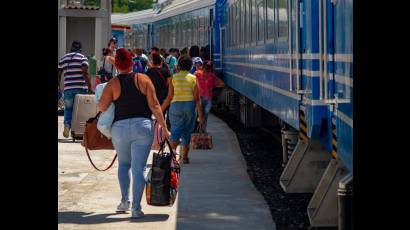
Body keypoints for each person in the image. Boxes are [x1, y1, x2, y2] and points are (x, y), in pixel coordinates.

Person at [98, 48, 170, 219]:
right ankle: (136, 209)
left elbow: (101, 107)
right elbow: (155, 106)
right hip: (142, 127)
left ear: (117, 65)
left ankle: (124, 202)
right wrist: (164, 128)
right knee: (139, 168)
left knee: (124, 165)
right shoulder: (143, 79)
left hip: (120, 129)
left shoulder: (113, 83)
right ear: (132, 63)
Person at [162, 55, 204, 164]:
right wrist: (200, 116)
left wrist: (161, 109)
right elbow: (197, 99)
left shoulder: (173, 78)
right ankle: (184, 158)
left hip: (175, 106)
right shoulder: (194, 78)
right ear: (191, 66)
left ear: (179, 66)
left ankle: (172, 157)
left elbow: (170, 96)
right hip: (189, 107)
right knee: (187, 132)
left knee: (175, 131)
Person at [58, 41, 91, 138]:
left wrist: (58, 86)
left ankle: (67, 126)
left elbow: (59, 73)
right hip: (81, 88)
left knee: (68, 108)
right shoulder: (82, 57)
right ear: (80, 49)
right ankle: (80, 130)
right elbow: (85, 73)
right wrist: (89, 86)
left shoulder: (64, 58)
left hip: (68, 88)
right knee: (81, 110)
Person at [195, 61, 224, 131]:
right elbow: (222, 84)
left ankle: (197, 130)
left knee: (198, 115)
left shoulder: (197, 74)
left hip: (198, 97)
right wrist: (213, 85)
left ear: (203, 66)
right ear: (211, 68)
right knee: (205, 116)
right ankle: (203, 131)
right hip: (208, 98)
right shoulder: (212, 76)